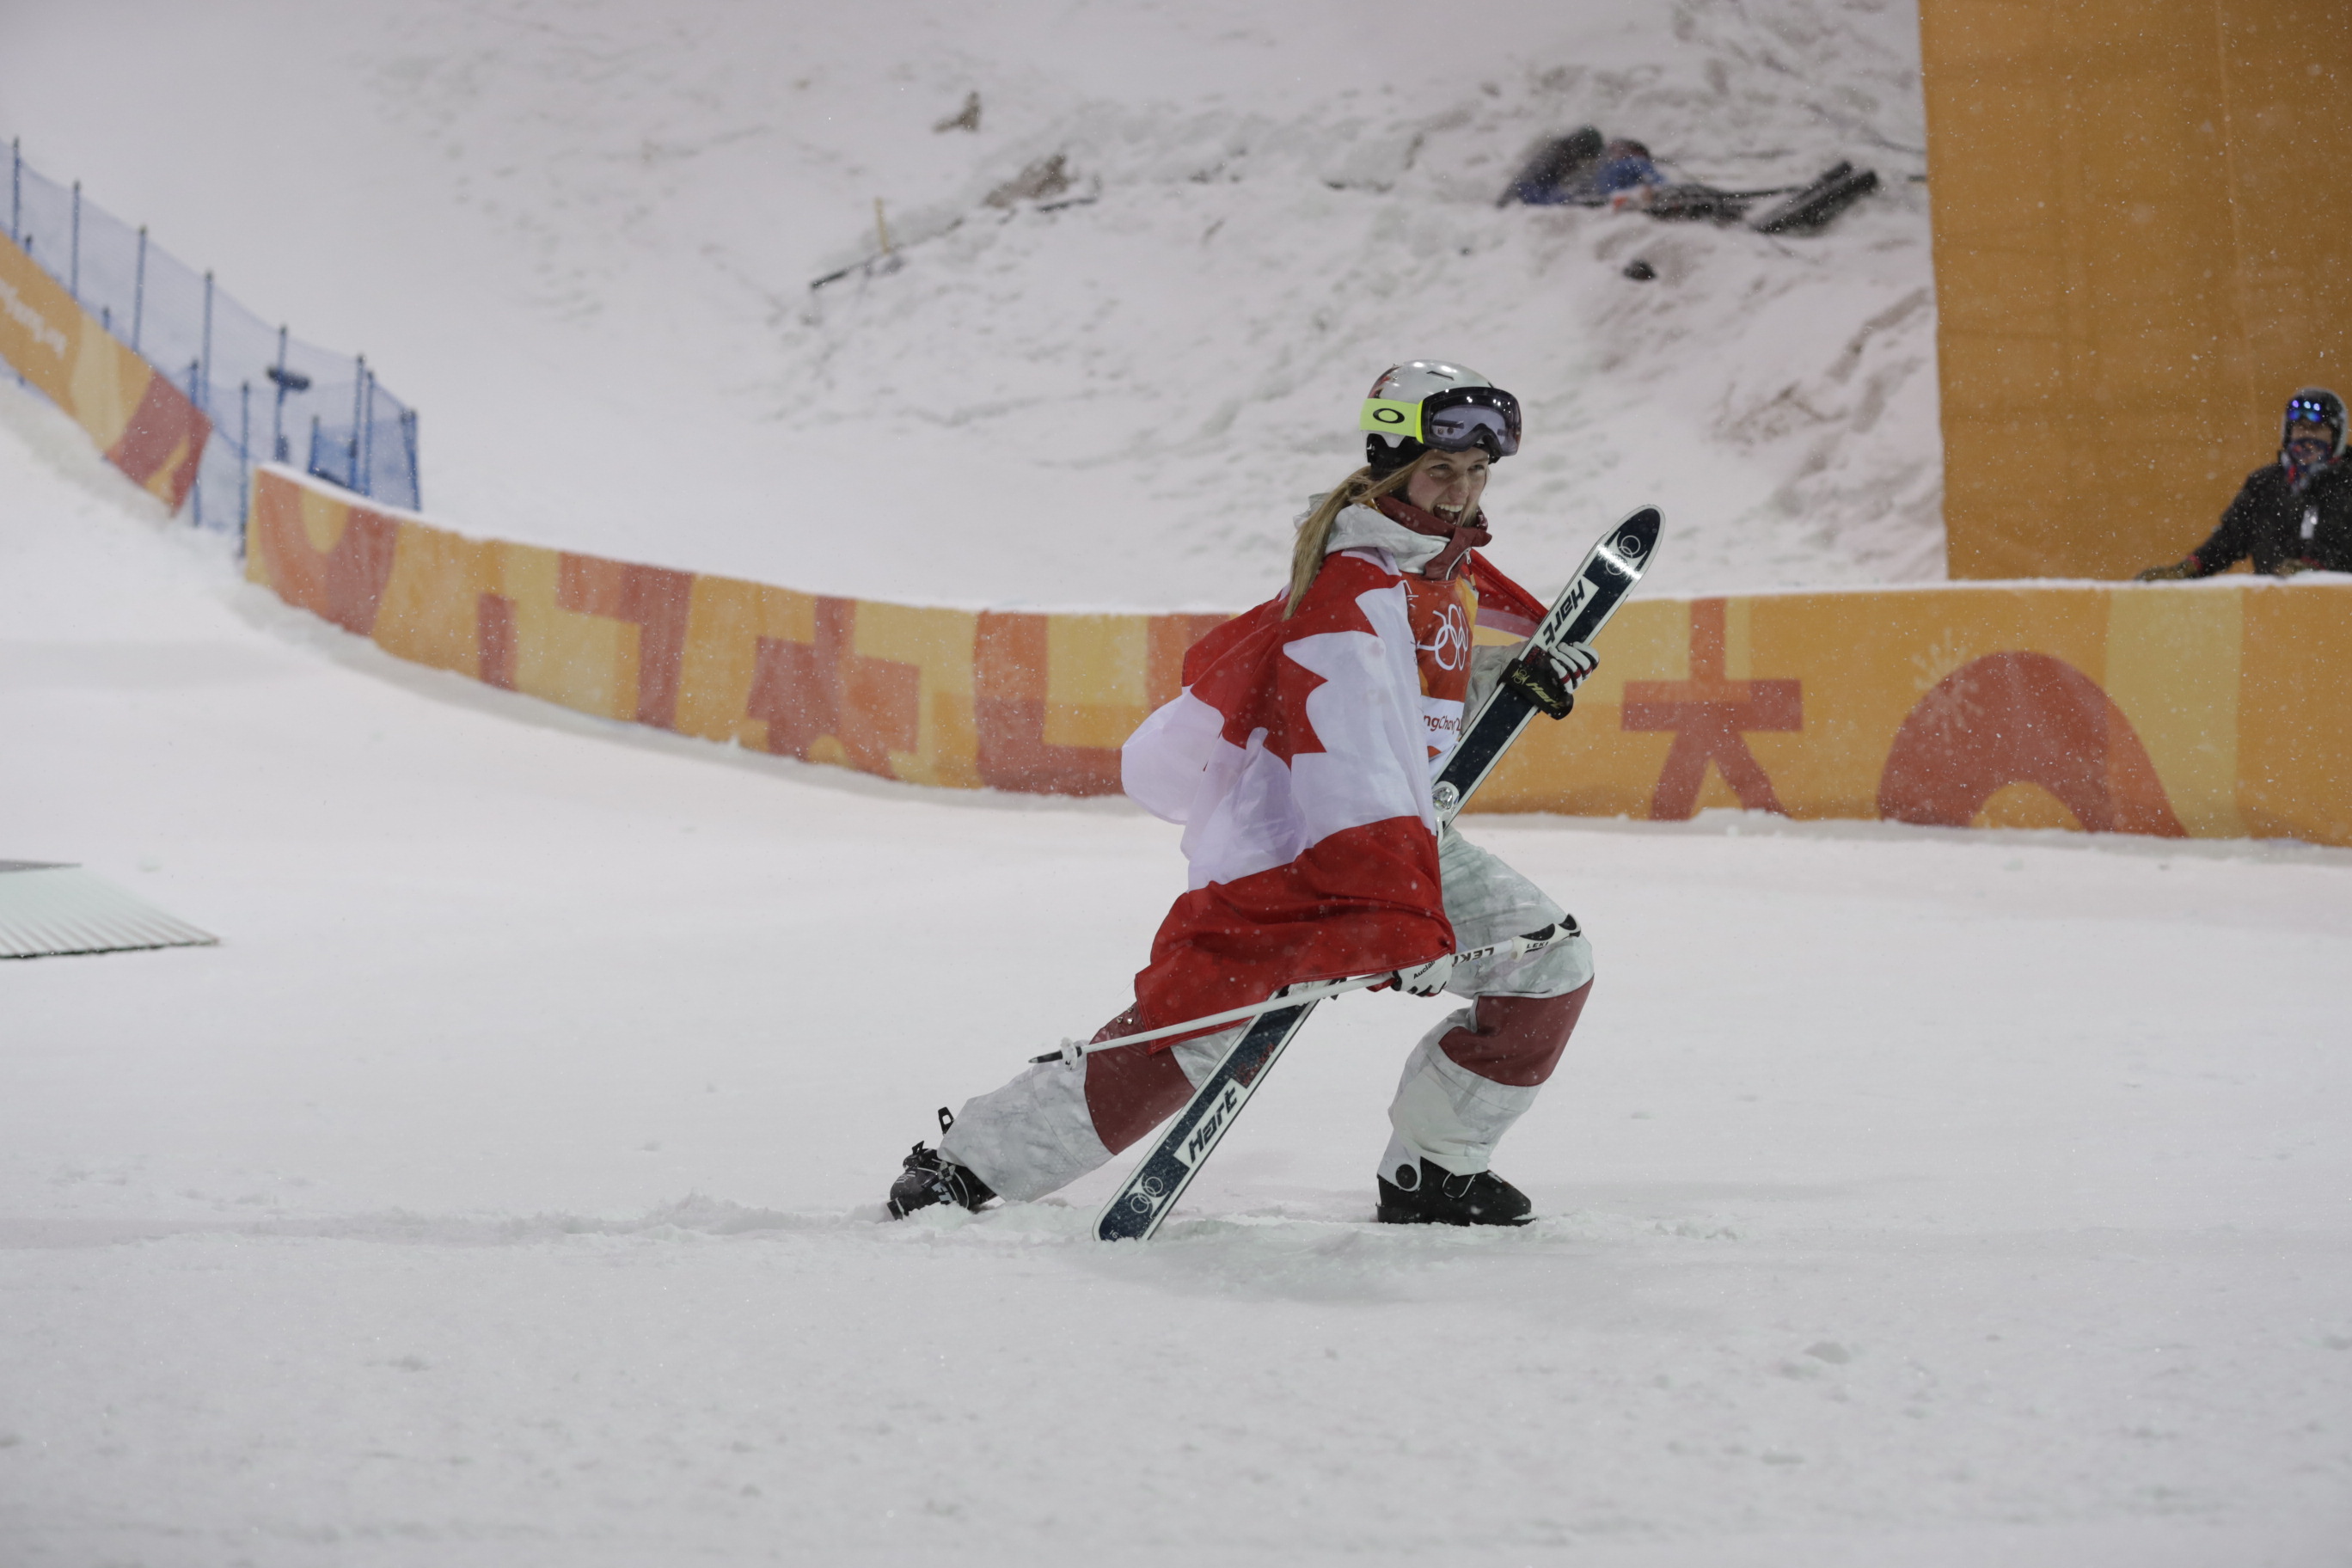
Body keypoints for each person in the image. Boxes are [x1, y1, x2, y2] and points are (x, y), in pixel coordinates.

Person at [886, 362, 1602, 1228]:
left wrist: (1505, 675)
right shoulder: (1356, 591)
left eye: (1479, 472)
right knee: (1190, 1037)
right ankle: (965, 1166)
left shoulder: (1430, 575)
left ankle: (1436, 1170)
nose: (1461, 492)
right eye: (1442, 470)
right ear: (1393, 467)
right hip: (1309, 854)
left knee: (1550, 963)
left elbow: (1405, 715)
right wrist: (1394, 910)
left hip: (1394, 845)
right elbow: (1352, 762)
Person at [2138, 388, 2352, 579]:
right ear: (2288, 433)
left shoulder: (2346, 481)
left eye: (2316, 430)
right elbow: (2230, 537)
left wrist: (2314, 569)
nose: (2306, 437)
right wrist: (2189, 568)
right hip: (2275, 607)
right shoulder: (2265, 484)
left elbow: (2338, 539)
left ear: (2335, 437)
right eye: (2300, 428)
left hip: (2336, 606)